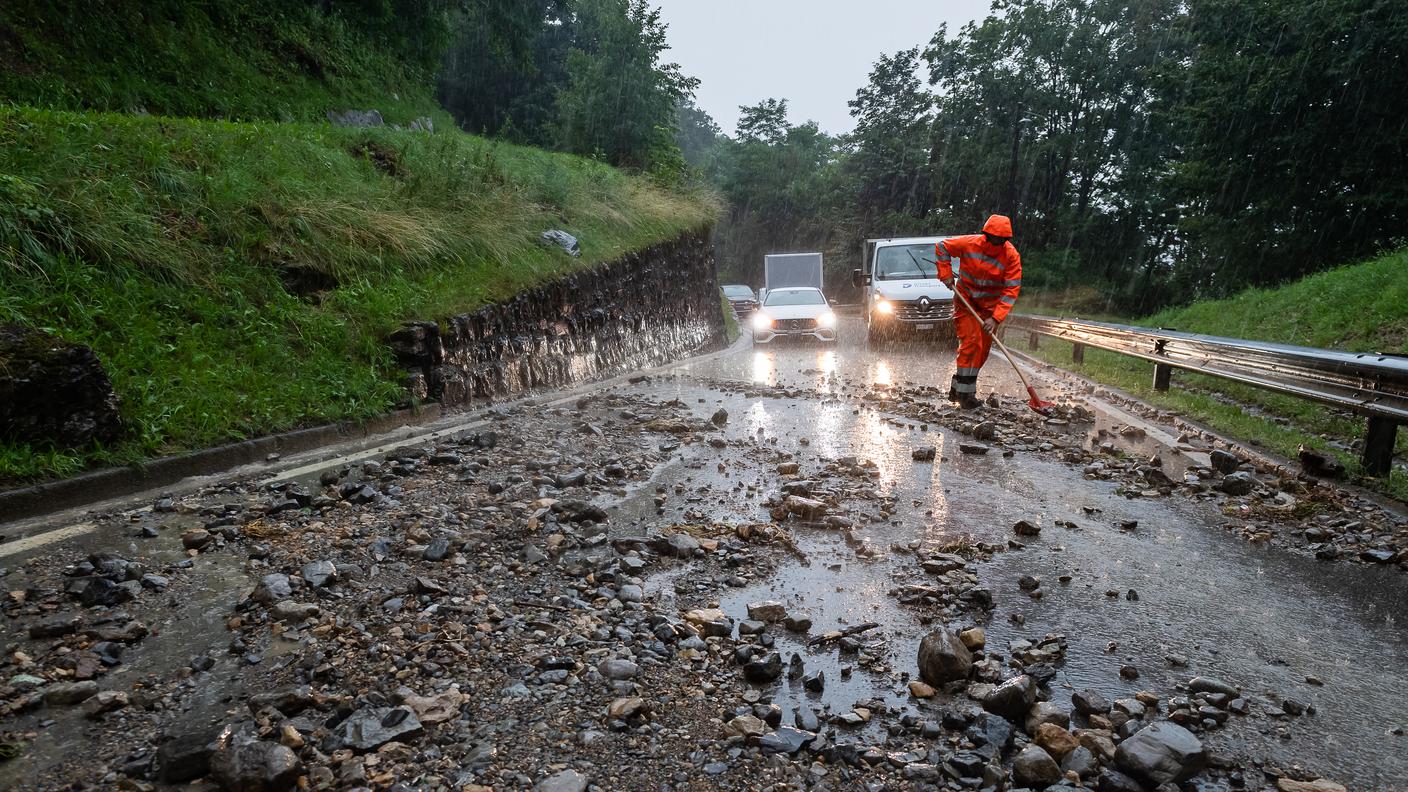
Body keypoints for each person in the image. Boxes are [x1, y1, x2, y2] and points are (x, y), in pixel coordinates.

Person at [935, 214, 1022, 409]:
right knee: (971, 343)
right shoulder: (969, 243)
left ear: (1006, 239)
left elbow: (1011, 289)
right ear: (986, 234)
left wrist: (996, 318)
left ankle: (958, 389)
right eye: (993, 238)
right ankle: (966, 398)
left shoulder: (1011, 256)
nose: (997, 242)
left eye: (1001, 240)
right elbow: (942, 247)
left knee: (981, 351)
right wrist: (946, 274)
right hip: (966, 302)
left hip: (990, 310)